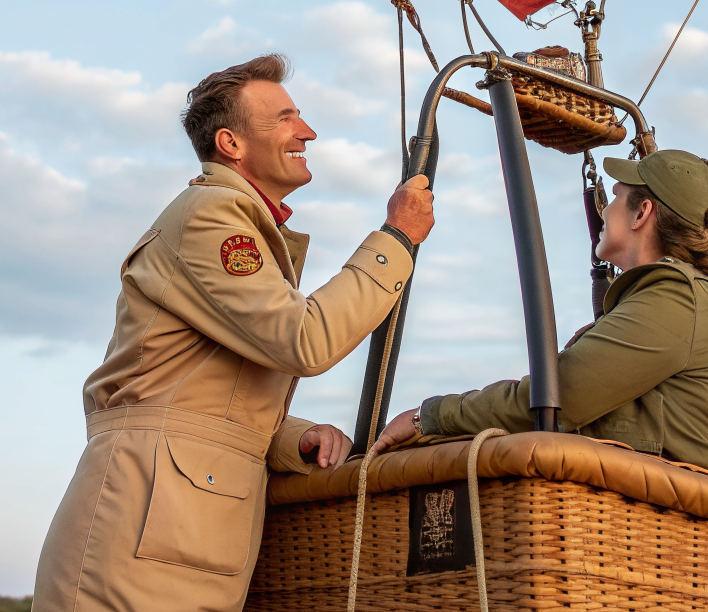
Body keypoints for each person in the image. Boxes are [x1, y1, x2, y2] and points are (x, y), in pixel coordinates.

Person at [33, 54, 433, 612]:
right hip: (149, 530)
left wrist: (290, 436)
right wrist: (397, 238)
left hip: (184, 527)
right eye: (286, 118)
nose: (308, 131)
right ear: (231, 143)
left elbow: (195, 393)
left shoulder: (233, 218)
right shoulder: (209, 216)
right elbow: (304, 340)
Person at [373, 149, 708, 475]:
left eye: (614, 198)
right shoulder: (661, 299)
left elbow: (555, 399)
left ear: (642, 212)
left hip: (674, 525)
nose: (604, 210)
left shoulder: (673, 298)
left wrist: (431, 417)